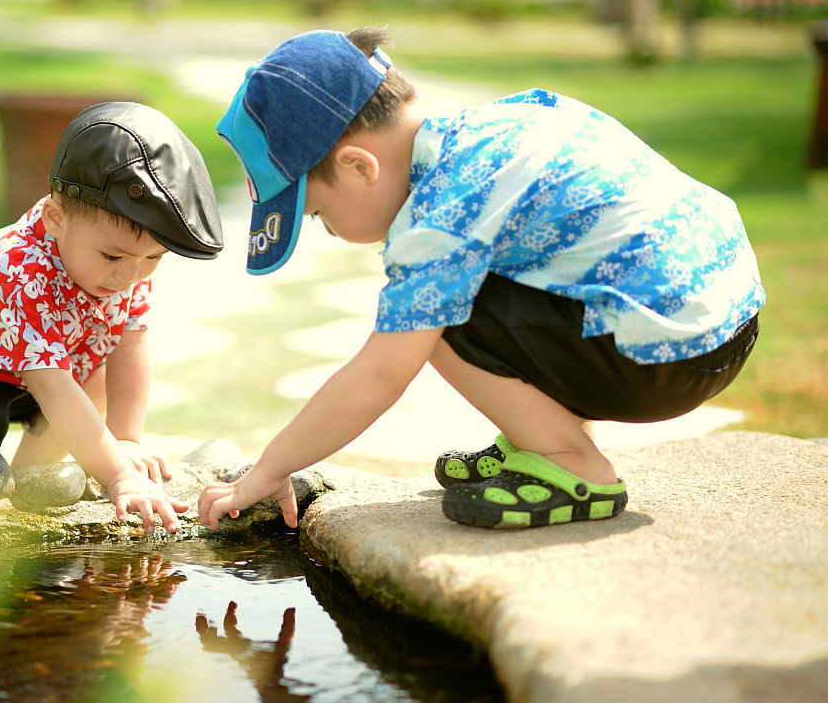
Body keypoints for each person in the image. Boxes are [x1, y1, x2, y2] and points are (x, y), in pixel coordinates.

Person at [199, 28, 763, 530]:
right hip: (722, 319)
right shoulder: (492, 127)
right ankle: (539, 439)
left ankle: (571, 465)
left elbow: (380, 375)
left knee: (430, 319)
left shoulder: (442, 212)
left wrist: (270, 468)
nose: (331, 232)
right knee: (462, 286)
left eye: (319, 216)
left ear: (357, 167)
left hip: (668, 357)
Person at [0, 101, 223, 533]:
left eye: (153, 258)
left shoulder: (124, 265)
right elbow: (51, 386)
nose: (130, 274)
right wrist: (119, 476)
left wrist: (125, 439)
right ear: (56, 218)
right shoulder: (16, 272)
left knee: (92, 378)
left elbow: (131, 344)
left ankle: (27, 492)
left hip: (17, 369)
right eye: (113, 255)